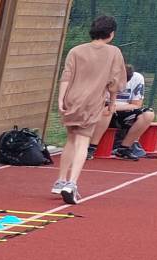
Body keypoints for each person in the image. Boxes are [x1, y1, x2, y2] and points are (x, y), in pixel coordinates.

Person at [53, 15, 126, 203]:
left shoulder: (76, 51)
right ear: (111, 33)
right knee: (83, 142)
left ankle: (60, 180)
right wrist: (112, 102)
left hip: (72, 99)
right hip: (92, 101)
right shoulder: (114, 52)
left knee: (71, 139)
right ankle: (72, 183)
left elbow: (66, 76)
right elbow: (114, 82)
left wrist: (61, 99)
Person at [109, 64, 156, 161]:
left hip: (123, 110)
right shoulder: (104, 75)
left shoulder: (137, 78)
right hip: (103, 109)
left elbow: (137, 104)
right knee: (104, 111)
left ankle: (124, 148)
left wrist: (115, 107)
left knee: (148, 114)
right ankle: (91, 147)